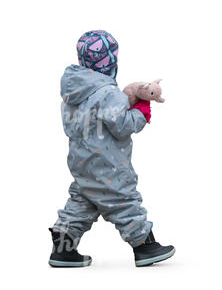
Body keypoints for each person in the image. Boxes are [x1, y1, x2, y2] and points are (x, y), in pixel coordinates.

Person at [49, 30, 175, 267]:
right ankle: (145, 246)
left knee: (82, 201)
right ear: (110, 61)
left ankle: (62, 248)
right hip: (108, 164)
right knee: (123, 200)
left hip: (81, 163)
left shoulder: (72, 95)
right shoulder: (107, 93)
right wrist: (141, 111)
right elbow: (122, 126)